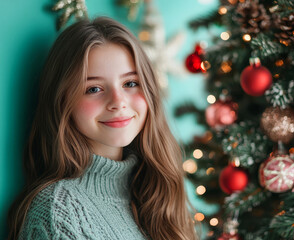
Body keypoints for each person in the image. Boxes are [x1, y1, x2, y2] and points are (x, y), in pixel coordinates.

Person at [7, 17, 198, 240]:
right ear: (62, 102)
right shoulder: (57, 212)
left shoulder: (154, 192)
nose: (118, 101)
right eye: (94, 88)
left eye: (130, 83)